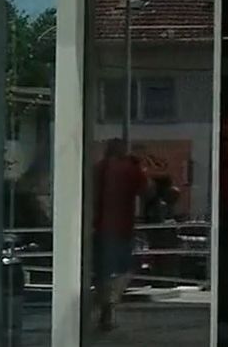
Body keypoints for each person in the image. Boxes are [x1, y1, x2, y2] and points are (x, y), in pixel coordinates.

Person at [91, 138, 145, 332]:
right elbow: (147, 191)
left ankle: (105, 305)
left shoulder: (98, 169)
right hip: (123, 228)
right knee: (124, 269)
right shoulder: (130, 169)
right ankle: (110, 303)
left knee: (102, 271)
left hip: (100, 227)